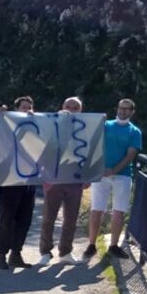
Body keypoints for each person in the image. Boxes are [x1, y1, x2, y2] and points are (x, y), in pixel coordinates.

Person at [84, 98, 142, 260]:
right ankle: (91, 244)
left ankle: (114, 246)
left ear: (132, 111)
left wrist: (113, 170)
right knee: (97, 209)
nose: (123, 111)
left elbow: (130, 155)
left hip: (123, 175)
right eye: (121, 108)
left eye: (127, 109)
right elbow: (93, 145)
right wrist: (96, 169)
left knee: (119, 211)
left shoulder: (134, 131)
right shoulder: (105, 125)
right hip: (101, 174)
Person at [37, 97, 86, 266]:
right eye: (68, 106)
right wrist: (45, 176)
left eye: (75, 107)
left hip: (75, 181)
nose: (71, 110)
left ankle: (65, 252)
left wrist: (88, 177)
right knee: (48, 218)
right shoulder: (52, 125)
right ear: (62, 107)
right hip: (54, 179)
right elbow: (42, 149)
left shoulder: (85, 128)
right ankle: (45, 252)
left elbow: (90, 153)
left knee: (71, 219)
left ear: (80, 110)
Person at [0, 95, 38, 270]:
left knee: (25, 218)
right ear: (17, 109)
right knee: (7, 218)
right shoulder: (8, 125)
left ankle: (16, 253)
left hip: (29, 179)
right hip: (10, 179)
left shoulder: (36, 128)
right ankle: (1, 255)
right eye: (23, 107)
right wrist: (1, 116)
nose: (27, 110)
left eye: (29, 107)